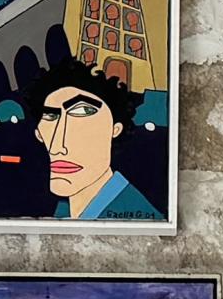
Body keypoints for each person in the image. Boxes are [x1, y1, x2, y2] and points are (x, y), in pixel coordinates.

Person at [32, 61, 159, 220]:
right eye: (50, 116)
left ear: (115, 129)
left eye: (83, 111)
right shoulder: (64, 211)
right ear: (38, 133)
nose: (57, 146)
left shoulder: (137, 216)